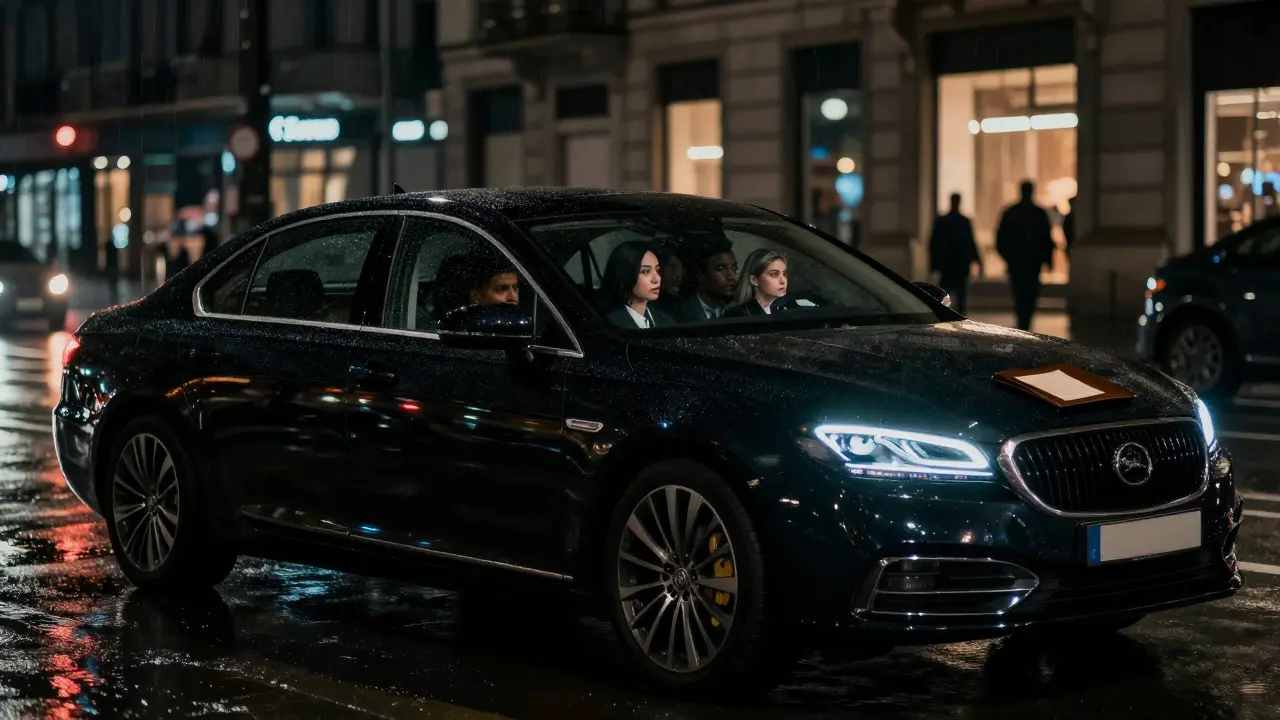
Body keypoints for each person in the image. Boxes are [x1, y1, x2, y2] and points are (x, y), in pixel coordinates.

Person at [996, 181, 1056, 331]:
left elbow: (1001, 238)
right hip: (1032, 262)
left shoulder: (1011, 213)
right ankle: (1026, 321)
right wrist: (1047, 260)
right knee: (1030, 294)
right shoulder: (1039, 214)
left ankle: (1022, 320)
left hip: (1017, 262)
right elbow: (1046, 239)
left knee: (1019, 294)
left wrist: (1008, 257)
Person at [601, 241, 675, 329]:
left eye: (657, 270)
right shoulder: (611, 325)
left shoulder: (666, 320)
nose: (657, 279)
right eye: (646, 271)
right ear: (626, 274)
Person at [928, 193, 980, 314]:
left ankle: (942, 315)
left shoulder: (942, 221)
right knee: (961, 298)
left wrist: (934, 264)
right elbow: (970, 242)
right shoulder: (964, 222)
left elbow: (934, 244)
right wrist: (976, 259)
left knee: (943, 295)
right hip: (960, 265)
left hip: (947, 265)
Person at [669, 235, 738, 323]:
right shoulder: (678, 314)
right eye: (720, 269)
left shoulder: (738, 311)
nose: (732, 276)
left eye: (734, 268)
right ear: (701, 274)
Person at [725, 249, 787, 317]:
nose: (783, 280)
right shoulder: (737, 315)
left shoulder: (786, 309)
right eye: (774, 274)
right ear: (754, 280)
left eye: (784, 273)